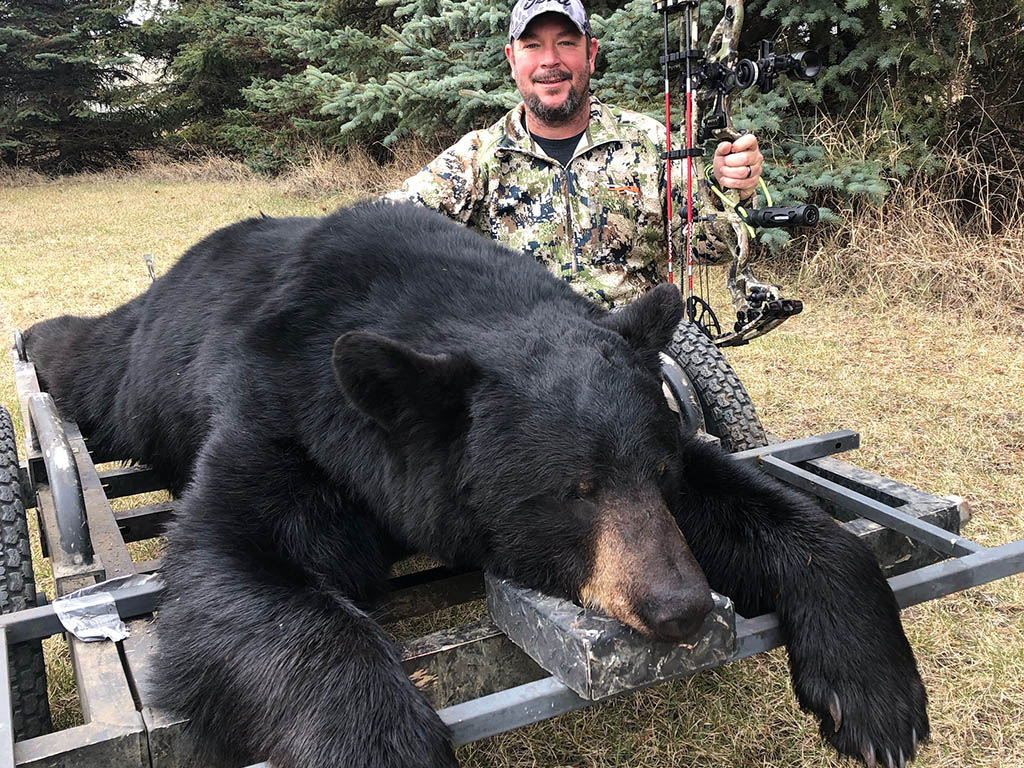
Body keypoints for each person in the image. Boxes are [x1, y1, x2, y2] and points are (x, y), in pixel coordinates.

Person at [386, 0, 763, 309]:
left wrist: (729, 188)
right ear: (512, 60)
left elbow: (712, 245)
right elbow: (388, 228)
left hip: (631, 349)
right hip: (524, 356)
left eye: (566, 43)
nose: (550, 60)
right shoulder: (477, 158)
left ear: (591, 53)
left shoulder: (650, 143)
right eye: (532, 45)